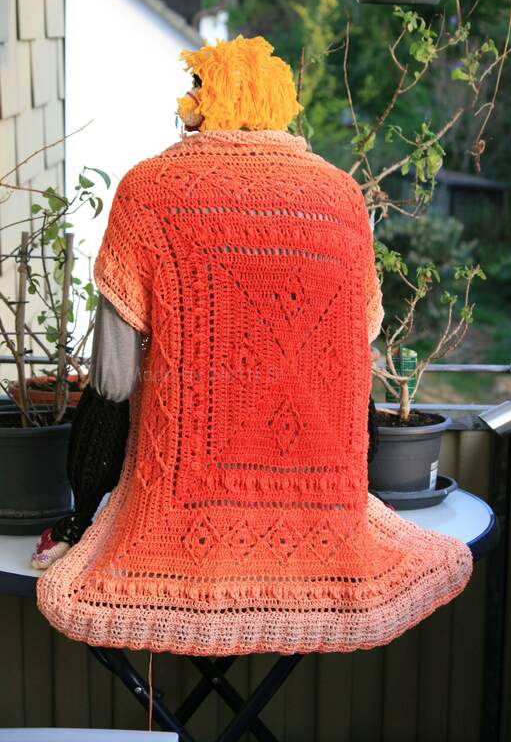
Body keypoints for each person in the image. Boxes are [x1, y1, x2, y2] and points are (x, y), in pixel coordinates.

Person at [35, 35, 472, 655]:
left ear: (200, 104)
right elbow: (356, 366)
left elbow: (112, 379)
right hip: (329, 536)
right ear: (280, 106)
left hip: (176, 538)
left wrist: (83, 511)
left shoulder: (149, 192)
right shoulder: (341, 200)